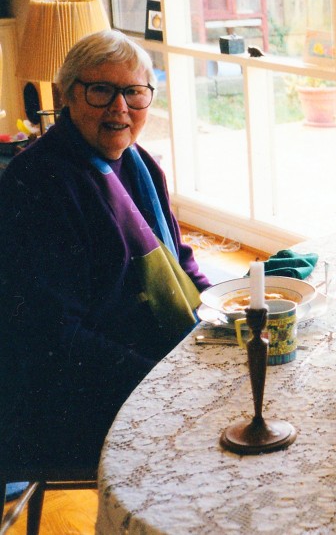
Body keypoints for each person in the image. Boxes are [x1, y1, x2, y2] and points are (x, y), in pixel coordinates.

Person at [0, 29, 209, 470]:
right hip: (73, 396)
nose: (119, 108)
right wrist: (164, 378)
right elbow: (55, 338)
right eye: (101, 91)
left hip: (146, 358)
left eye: (134, 92)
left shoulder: (140, 163)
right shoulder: (37, 185)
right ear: (67, 95)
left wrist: (223, 313)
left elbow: (177, 260)